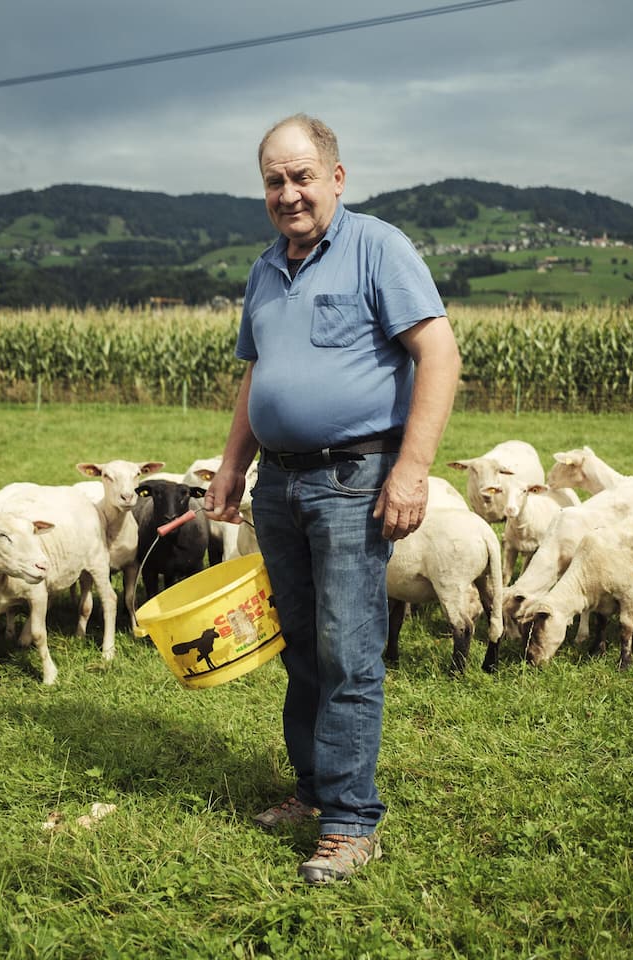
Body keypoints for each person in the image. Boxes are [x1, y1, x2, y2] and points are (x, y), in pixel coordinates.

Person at [203, 113, 461, 884]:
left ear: (336, 178)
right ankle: (314, 791)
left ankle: (352, 823)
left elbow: (438, 353)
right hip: (277, 483)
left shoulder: (379, 247)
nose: (289, 192)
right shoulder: (263, 269)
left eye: (302, 176)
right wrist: (229, 467)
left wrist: (411, 471)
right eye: (275, 180)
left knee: (349, 651)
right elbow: (258, 375)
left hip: (354, 479)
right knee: (303, 648)